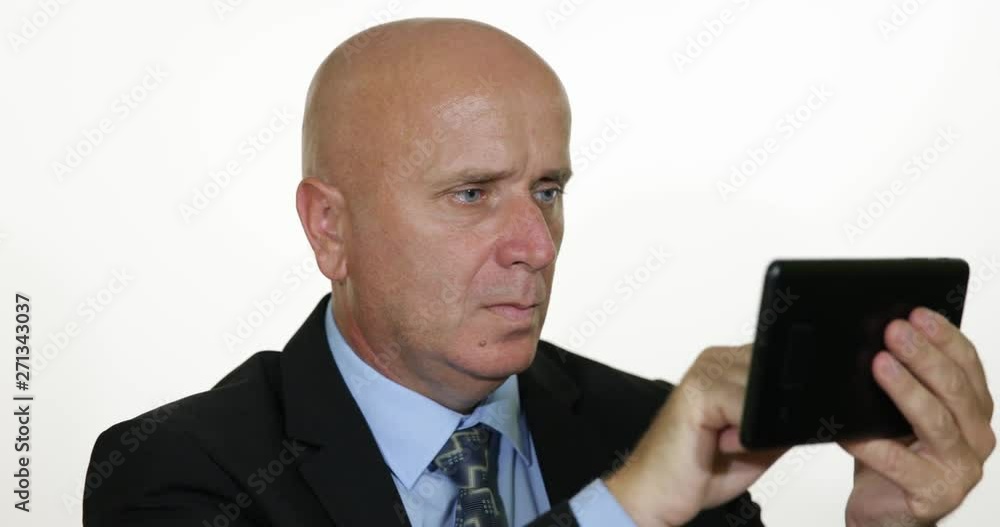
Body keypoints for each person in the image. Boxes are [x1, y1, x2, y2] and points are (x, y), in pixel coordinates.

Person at [83, 17, 994, 527]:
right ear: (331, 228)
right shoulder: (181, 470)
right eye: (473, 193)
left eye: (548, 190)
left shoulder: (646, 429)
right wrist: (623, 512)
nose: (537, 243)